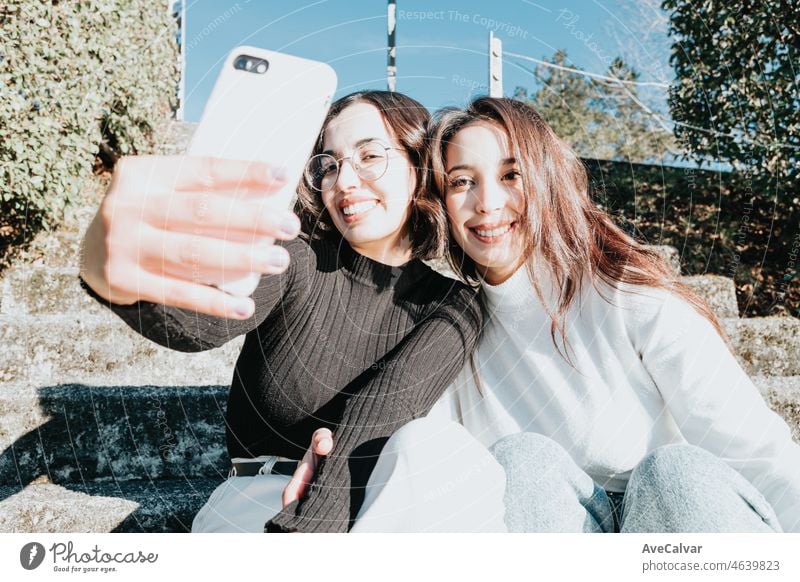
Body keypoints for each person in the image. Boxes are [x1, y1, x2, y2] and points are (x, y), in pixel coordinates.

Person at [297, 96, 800, 533]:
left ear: (545, 180)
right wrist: (332, 463)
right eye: (461, 182)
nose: (487, 203)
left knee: (672, 475)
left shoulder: (629, 297)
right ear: (443, 203)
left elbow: (758, 453)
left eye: (510, 175)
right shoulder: (449, 332)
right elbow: (419, 466)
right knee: (523, 463)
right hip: (558, 534)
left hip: (685, 534)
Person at [78, 91, 486, 533]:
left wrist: (304, 536)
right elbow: (203, 325)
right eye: (329, 165)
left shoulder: (452, 302)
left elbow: (381, 411)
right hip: (257, 502)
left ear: (418, 167)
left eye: (370, 156)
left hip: (369, 510)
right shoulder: (297, 258)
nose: (344, 182)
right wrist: (115, 277)